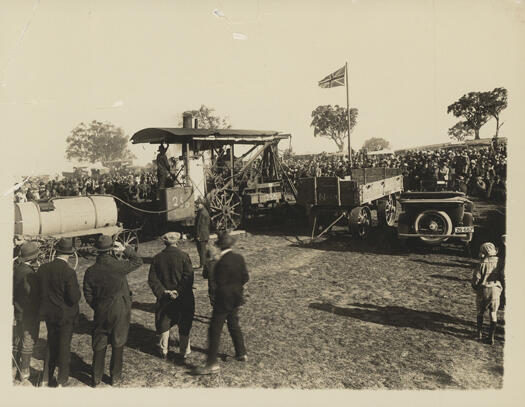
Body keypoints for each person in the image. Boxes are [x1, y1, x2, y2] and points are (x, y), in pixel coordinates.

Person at [83, 235, 143, 387]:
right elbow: (138, 261)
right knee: (118, 342)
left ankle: (95, 378)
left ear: (97, 251)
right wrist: (125, 249)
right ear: (111, 250)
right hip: (120, 309)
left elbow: (88, 293)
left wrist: (97, 306)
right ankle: (115, 377)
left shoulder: (91, 271)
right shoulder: (119, 266)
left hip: (101, 310)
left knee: (99, 343)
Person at [194, 231, 249, 375]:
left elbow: (217, 282)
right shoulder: (239, 258)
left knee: (214, 330)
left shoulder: (219, 263)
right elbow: (245, 277)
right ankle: (241, 353)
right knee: (233, 325)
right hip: (236, 298)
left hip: (223, 300)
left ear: (219, 247)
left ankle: (211, 363)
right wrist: (237, 288)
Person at [36, 238, 81, 387]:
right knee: (64, 347)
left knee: (51, 345)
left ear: (56, 251)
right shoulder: (69, 272)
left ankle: (45, 379)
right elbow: (74, 297)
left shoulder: (43, 269)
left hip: (49, 315)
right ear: (69, 254)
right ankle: (62, 381)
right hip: (65, 317)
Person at [148, 232, 195, 361]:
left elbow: (152, 280)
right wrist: (178, 292)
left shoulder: (157, 258)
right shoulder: (184, 256)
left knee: (164, 322)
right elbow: (188, 277)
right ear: (177, 242)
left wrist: (163, 292)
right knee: (184, 322)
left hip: (164, 298)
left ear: (165, 242)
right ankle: (184, 351)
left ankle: (163, 350)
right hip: (183, 297)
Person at [13, 242, 41, 382]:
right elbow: (31, 294)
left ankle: (16, 367)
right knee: (28, 341)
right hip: (28, 313)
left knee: (19, 339)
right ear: (34, 258)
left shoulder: (17, 269)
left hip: (18, 311)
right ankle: (24, 373)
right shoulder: (28, 274)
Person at [471, 242, 503, 345]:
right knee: (493, 313)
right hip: (495, 290)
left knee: (480, 312)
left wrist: (474, 286)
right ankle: (491, 337)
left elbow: (476, 278)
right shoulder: (500, 262)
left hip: (483, 290)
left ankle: (479, 334)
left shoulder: (482, 263)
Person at [195, 198, 211, 269]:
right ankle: (202, 264)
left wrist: (198, 235)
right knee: (202, 250)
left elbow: (200, 225)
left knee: (202, 250)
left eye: (198, 204)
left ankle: (203, 265)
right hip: (204, 234)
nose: (197, 205)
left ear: (202, 204)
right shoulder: (202, 211)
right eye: (196, 204)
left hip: (202, 235)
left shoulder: (202, 213)